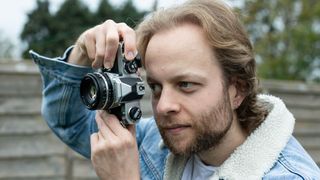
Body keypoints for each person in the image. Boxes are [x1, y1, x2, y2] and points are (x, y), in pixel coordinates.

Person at [30, 0, 320, 179]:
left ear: (237, 89)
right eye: (155, 87)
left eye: (186, 85)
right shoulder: (151, 142)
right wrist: (82, 49)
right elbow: (68, 121)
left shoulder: (289, 177)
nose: (163, 105)